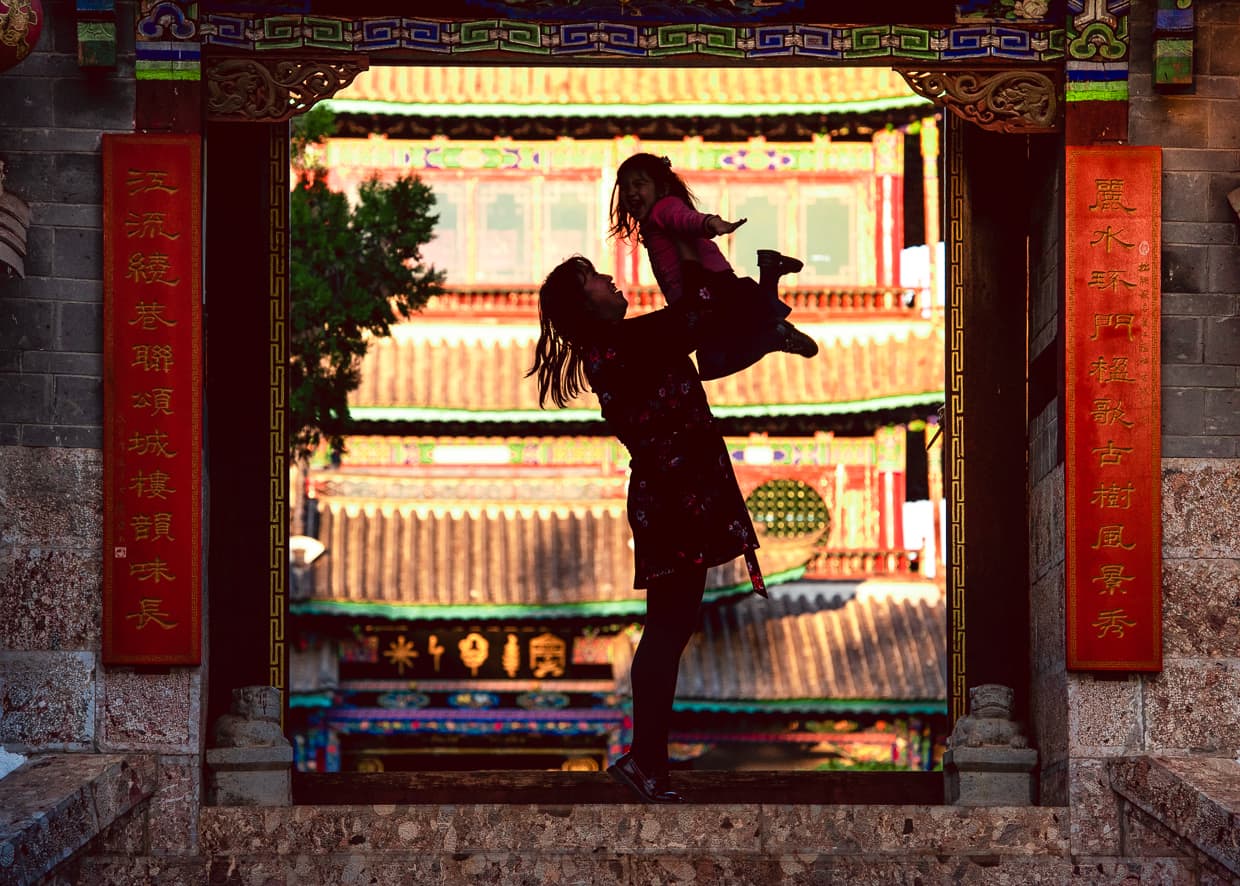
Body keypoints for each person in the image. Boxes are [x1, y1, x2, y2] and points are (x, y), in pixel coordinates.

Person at [527, 250, 766, 804]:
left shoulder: (619, 345)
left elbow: (702, 326)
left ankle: (647, 761)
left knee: (671, 629)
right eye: (596, 279)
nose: (610, 279)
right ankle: (647, 761)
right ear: (584, 303)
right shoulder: (623, 344)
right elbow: (700, 311)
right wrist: (687, 245)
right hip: (674, 502)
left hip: (673, 498)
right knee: (666, 631)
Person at [609, 151, 819, 380]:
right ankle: (770, 274)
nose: (630, 192)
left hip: (706, 285)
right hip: (697, 291)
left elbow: (685, 218)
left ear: (662, 188)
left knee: (716, 359)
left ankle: (775, 333)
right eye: (625, 187)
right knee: (723, 350)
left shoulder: (664, 208)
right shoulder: (652, 222)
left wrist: (711, 223)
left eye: (639, 184)